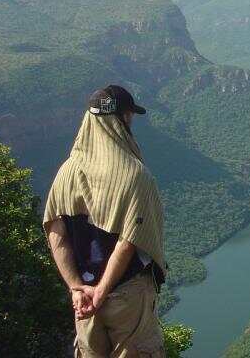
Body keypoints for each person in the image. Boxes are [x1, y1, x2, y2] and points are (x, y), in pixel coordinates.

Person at [43, 85, 168, 358]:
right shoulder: (136, 175)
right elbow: (128, 242)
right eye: (129, 115)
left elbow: (56, 232)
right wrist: (102, 291)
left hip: (84, 301)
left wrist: (77, 287)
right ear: (122, 119)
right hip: (127, 295)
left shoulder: (67, 171)